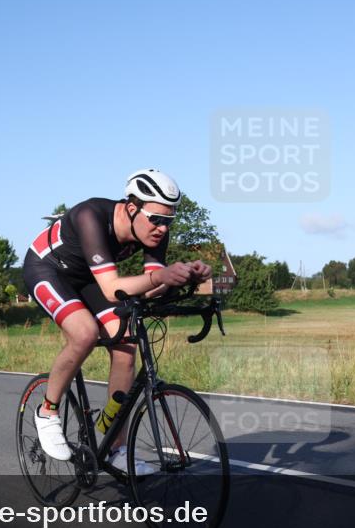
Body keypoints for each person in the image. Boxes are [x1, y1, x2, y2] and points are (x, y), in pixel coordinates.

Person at [22, 169, 212, 474]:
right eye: (156, 219)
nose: (162, 228)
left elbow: (152, 285)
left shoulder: (155, 230)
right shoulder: (91, 216)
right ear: (132, 207)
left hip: (90, 279)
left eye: (169, 221)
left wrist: (185, 275)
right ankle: (47, 411)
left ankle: (116, 448)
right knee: (84, 333)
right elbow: (113, 288)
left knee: (126, 345)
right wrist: (160, 277)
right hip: (48, 269)